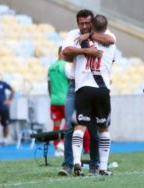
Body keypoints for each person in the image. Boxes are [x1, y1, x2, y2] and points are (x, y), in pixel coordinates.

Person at [59, 9, 115, 176]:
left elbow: (110, 40)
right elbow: (66, 52)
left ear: (92, 22)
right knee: (71, 125)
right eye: (81, 23)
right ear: (77, 23)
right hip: (76, 85)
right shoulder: (73, 34)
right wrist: (85, 51)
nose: (83, 26)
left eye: (87, 23)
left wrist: (89, 37)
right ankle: (69, 165)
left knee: (94, 129)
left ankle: (94, 165)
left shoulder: (102, 34)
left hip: (92, 86)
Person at [47, 47, 69, 157]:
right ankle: (62, 144)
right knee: (69, 122)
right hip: (65, 100)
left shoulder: (50, 67)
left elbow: (49, 85)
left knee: (56, 125)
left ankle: (57, 148)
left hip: (54, 100)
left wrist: (52, 97)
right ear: (61, 53)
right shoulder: (66, 66)